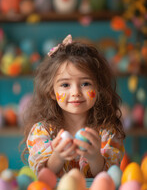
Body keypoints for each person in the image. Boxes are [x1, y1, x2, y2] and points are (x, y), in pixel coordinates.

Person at [22, 34, 125, 178]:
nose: (75, 92)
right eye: (65, 85)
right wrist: (58, 156)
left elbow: (110, 177)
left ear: (98, 88)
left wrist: (95, 157)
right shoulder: (42, 131)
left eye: (85, 84)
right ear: (52, 92)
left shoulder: (107, 132)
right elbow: (43, 175)